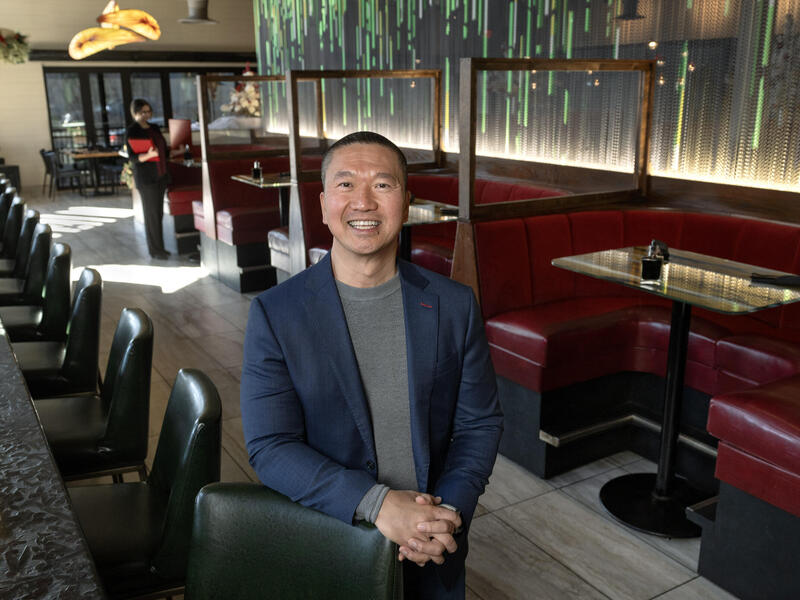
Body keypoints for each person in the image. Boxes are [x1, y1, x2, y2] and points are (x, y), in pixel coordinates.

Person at [240, 131, 503, 599]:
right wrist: (376, 504)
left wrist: (444, 517)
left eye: (383, 185)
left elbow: (478, 425)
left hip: (433, 546)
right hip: (332, 543)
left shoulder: (454, 305)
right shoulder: (276, 314)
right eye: (345, 185)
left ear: (407, 203)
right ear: (324, 205)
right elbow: (271, 446)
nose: (363, 201)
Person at [125, 99, 171, 259]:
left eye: (148, 111)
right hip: (146, 179)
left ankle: (160, 248)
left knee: (158, 214)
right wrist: (149, 155)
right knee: (151, 215)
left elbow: (163, 149)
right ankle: (155, 250)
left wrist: (174, 150)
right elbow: (133, 158)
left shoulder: (154, 127)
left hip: (161, 175)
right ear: (135, 113)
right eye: (142, 112)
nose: (146, 115)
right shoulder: (132, 130)